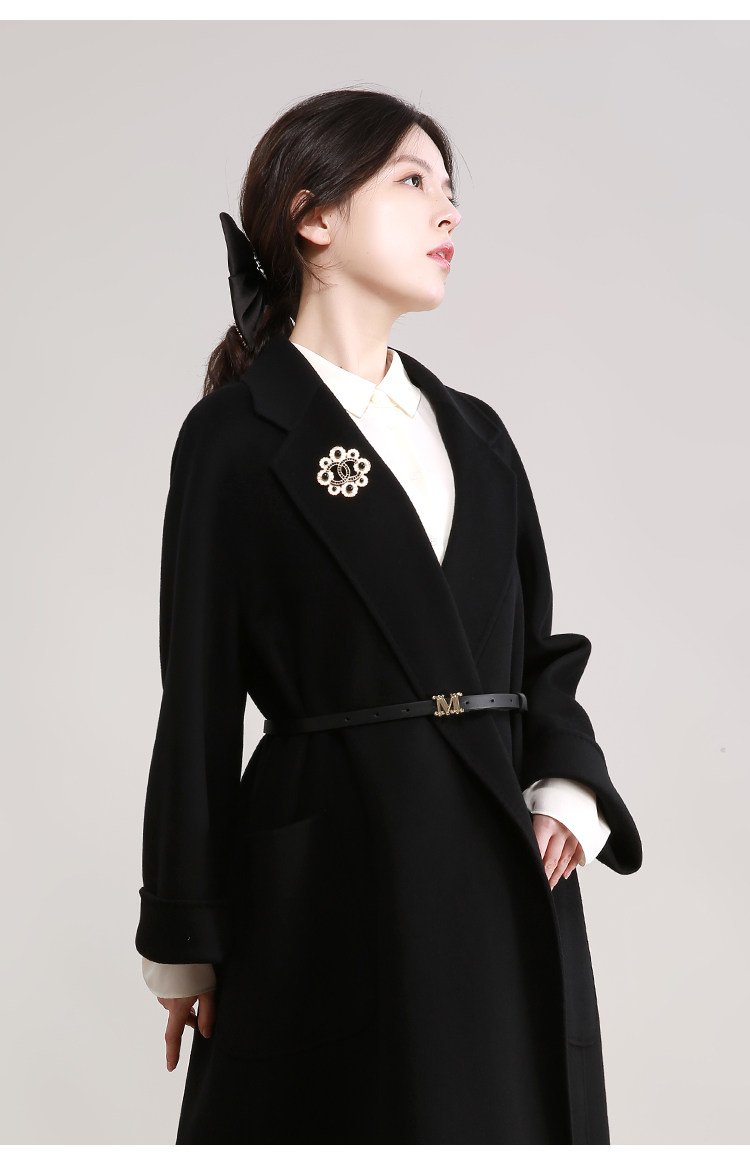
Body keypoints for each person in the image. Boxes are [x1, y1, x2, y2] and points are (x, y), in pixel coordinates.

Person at [135, 86, 642, 1144]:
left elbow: (536, 649)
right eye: (413, 181)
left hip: (499, 860)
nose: (448, 211)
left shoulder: (476, 433)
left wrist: (567, 782)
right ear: (314, 216)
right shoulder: (236, 436)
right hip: (334, 870)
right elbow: (197, 697)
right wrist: (186, 933)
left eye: (452, 190)